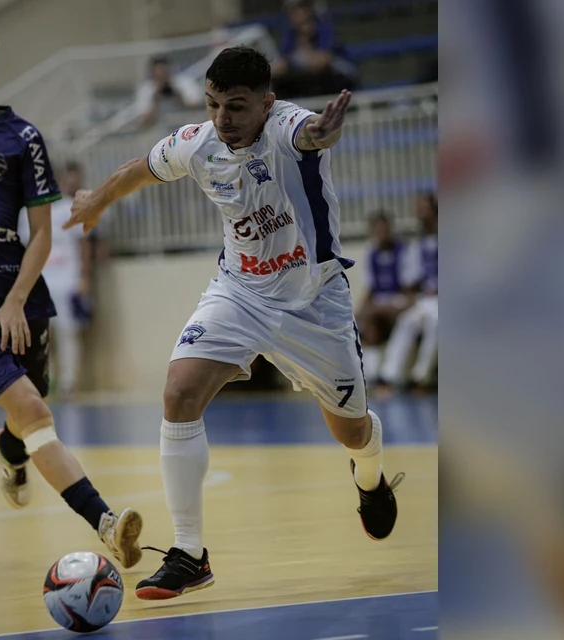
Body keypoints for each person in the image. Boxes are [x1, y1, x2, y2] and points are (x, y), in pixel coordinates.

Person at [65, 46, 403, 600]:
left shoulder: (288, 127)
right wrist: (97, 202)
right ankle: (190, 553)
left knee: (352, 430)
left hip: (314, 307)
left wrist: (325, 130)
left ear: (267, 104)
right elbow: (139, 170)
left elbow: (312, 135)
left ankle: (370, 475)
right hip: (239, 293)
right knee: (178, 392)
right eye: (214, 104)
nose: (223, 118)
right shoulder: (199, 143)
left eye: (237, 107)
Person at [0, 16, 143, 568]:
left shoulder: (21, 137)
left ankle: (10, 450)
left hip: (19, 298)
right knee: (31, 406)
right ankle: (108, 524)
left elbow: (43, 234)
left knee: (29, 416)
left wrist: (16, 299)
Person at [40, 163, 96, 397]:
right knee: (43, 336)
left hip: (67, 280)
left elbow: (83, 243)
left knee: (68, 332)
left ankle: (68, 382)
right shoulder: (28, 213)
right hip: (41, 282)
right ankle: (46, 380)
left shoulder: (69, 208)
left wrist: (84, 277)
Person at [379, 193, 439, 392]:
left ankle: (421, 378)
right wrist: (412, 297)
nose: (419, 212)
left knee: (436, 322)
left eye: (423, 207)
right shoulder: (417, 245)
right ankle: (389, 376)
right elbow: (410, 282)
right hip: (426, 299)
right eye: (417, 208)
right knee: (407, 320)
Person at [356, 212, 417, 385]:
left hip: (399, 298)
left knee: (393, 317)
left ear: (390, 229)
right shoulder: (371, 252)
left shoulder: (403, 250)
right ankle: (372, 375)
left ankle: (390, 374)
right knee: (363, 319)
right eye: (377, 229)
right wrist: (361, 310)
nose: (381, 232)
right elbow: (369, 288)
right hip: (380, 302)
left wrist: (393, 306)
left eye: (384, 228)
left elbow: (409, 289)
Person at [270, 0, 358, 99]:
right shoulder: (291, 34)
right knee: (279, 81)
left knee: (319, 74)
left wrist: (300, 56)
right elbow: (281, 64)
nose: (292, 14)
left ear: (307, 10)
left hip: (340, 75)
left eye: (296, 9)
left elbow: (321, 61)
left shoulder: (323, 28)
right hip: (309, 74)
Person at [137, 56, 204, 131]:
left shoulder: (184, 83)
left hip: (186, 126)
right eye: (159, 72)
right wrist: (156, 101)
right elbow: (143, 120)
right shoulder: (147, 89)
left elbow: (199, 107)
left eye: (164, 71)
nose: (162, 75)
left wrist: (179, 98)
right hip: (160, 129)